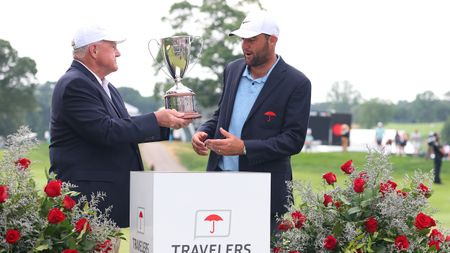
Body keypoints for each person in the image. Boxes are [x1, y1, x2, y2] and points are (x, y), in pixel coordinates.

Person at [49, 24, 192, 228]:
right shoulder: (75, 84)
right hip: (88, 200)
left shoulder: (105, 86)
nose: (119, 52)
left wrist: (166, 121)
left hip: (103, 199)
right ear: (94, 50)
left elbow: (123, 129)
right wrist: (156, 119)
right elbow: (106, 131)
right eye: (113, 46)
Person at [191, 10, 311, 235]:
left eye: (252, 40)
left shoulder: (298, 83)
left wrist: (244, 147)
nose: (245, 45)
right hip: (218, 184)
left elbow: (293, 140)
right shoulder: (233, 69)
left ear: (272, 40)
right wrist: (204, 131)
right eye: (243, 39)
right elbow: (221, 114)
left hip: (264, 192)